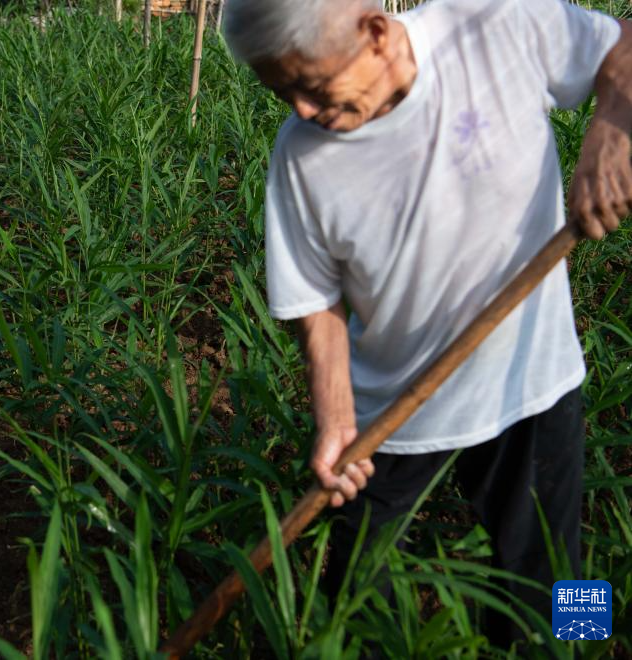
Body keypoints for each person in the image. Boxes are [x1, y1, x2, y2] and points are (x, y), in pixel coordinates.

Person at [223, 0, 632, 647]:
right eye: (281, 91)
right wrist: (334, 420)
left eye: (310, 83)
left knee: (558, 575)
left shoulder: (497, 23)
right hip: (393, 411)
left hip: (532, 379)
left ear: (376, 33)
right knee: (354, 599)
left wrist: (614, 122)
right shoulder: (302, 157)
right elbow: (314, 299)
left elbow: (623, 48)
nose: (300, 110)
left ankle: (581, 648)